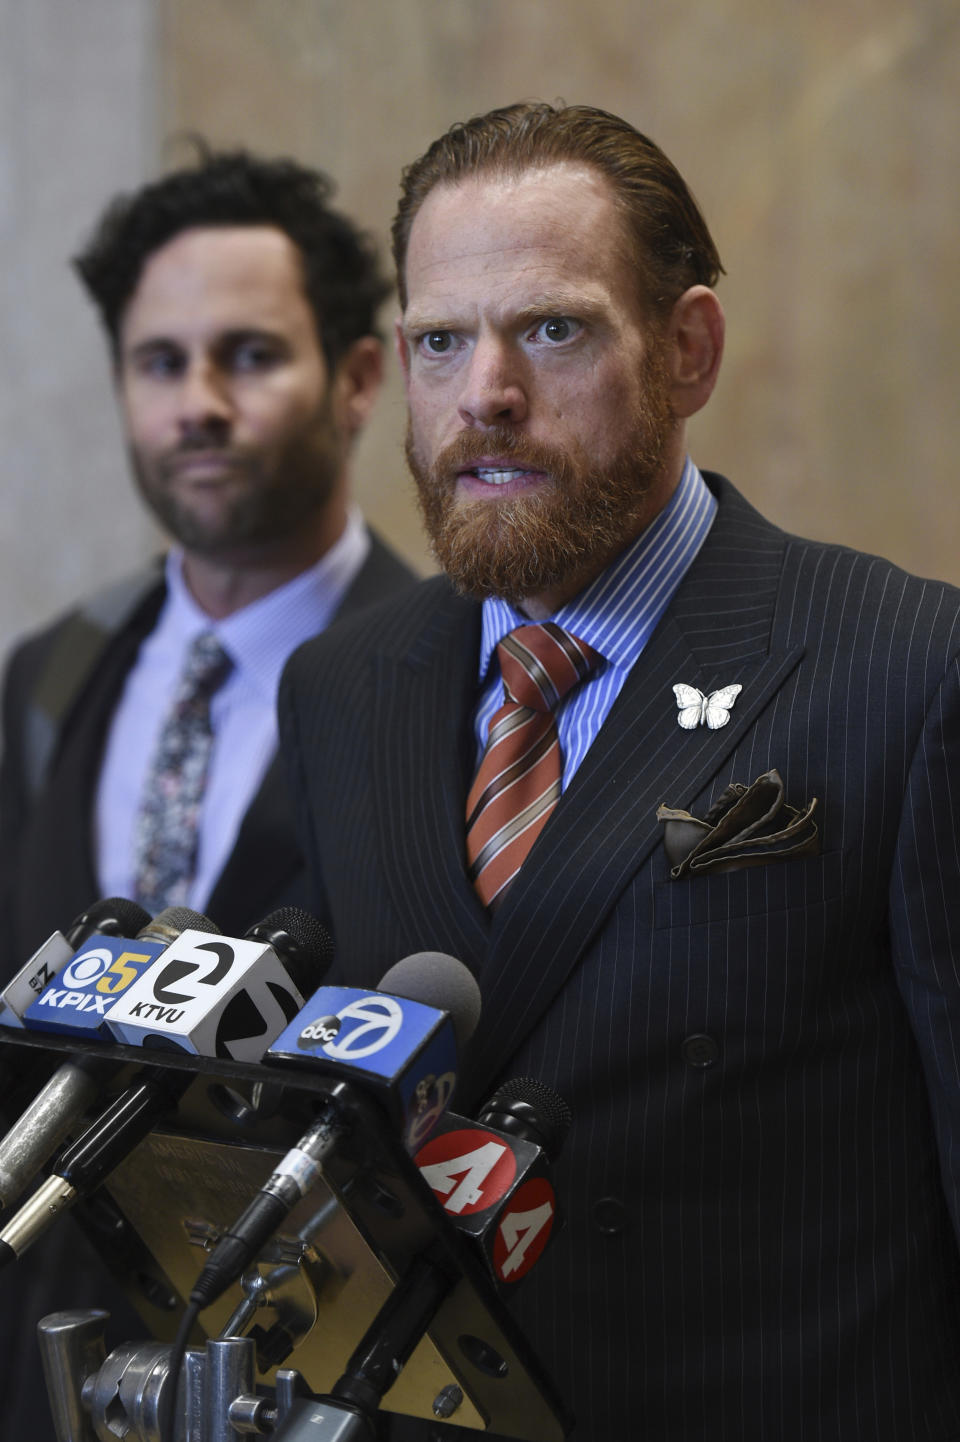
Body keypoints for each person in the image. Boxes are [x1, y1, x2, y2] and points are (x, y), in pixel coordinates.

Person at [279, 103, 960, 1439]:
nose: (485, 393)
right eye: (438, 341)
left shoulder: (908, 671)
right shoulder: (344, 690)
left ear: (688, 347)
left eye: (553, 329)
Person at [0, 148, 416, 1440]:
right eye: (161, 362)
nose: (200, 403)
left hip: (323, 1372)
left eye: (249, 354)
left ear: (358, 377)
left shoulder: (449, 682)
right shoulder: (51, 675)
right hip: (54, 1367)